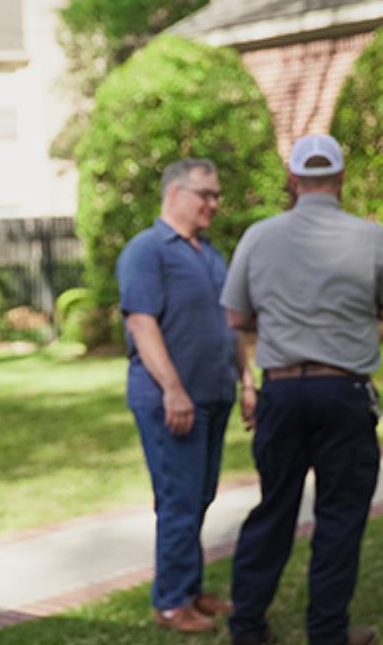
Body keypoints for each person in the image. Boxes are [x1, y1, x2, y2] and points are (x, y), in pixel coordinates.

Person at [221, 133, 383, 645]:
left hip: (282, 393)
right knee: (339, 519)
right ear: (339, 179)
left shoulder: (258, 236)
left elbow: (236, 316)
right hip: (344, 393)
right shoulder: (373, 237)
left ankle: (247, 629)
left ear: (293, 180)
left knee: (274, 510)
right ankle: (327, 635)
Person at [117, 158, 255, 633]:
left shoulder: (209, 253)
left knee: (199, 497)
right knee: (179, 500)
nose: (214, 204)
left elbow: (232, 324)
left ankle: (190, 588)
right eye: (206, 195)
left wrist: (248, 381)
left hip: (214, 394)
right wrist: (173, 390)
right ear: (175, 193)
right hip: (171, 402)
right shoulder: (147, 250)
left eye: (216, 195)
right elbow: (141, 322)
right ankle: (172, 602)